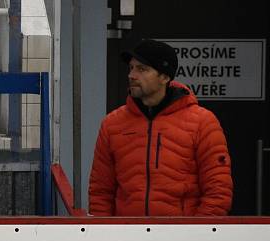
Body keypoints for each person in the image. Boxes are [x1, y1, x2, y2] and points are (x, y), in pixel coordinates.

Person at [88, 39, 233, 216]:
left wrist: (197, 234)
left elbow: (218, 190)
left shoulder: (202, 122)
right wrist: (106, 235)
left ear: (164, 77)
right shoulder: (112, 124)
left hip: (182, 237)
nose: (132, 75)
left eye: (142, 69)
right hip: (127, 237)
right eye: (131, 68)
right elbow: (100, 192)